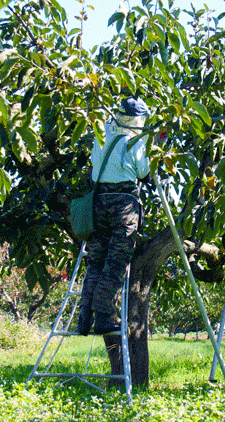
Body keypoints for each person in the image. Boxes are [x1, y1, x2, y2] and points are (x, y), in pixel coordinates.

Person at [77, 96, 151, 335]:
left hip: (98, 204)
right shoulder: (134, 140)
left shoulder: (101, 133)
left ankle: (84, 318)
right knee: (115, 262)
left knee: (96, 260)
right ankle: (104, 316)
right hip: (123, 206)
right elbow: (143, 172)